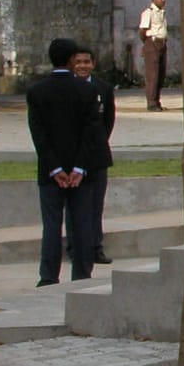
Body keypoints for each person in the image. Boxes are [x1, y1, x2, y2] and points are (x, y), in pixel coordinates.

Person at [28, 38, 102, 289]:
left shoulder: (36, 91)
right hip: (81, 171)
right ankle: (81, 273)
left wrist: (55, 168)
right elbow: (91, 132)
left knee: (51, 225)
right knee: (81, 223)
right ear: (72, 60)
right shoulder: (87, 90)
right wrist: (79, 167)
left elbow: (39, 135)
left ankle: (49, 275)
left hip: (50, 171)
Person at [69, 45, 115, 264]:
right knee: (75, 205)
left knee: (96, 204)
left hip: (97, 156)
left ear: (93, 64)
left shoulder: (103, 89)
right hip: (72, 157)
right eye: (78, 62)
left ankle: (96, 247)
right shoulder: (67, 88)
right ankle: (75, 246)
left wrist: (97, 144)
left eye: (86, 62)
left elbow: (108, 121)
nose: (82, 66)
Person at [137, 0, 169, 110]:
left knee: (161, 74)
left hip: (162, 43)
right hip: (152, 42)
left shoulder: (162, 13)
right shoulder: (148, 13)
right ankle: (151, 102)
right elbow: (142, 31)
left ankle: (157, 100)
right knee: (152, 75)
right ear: (154, 0)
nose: (163, 0)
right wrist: (147, 44)